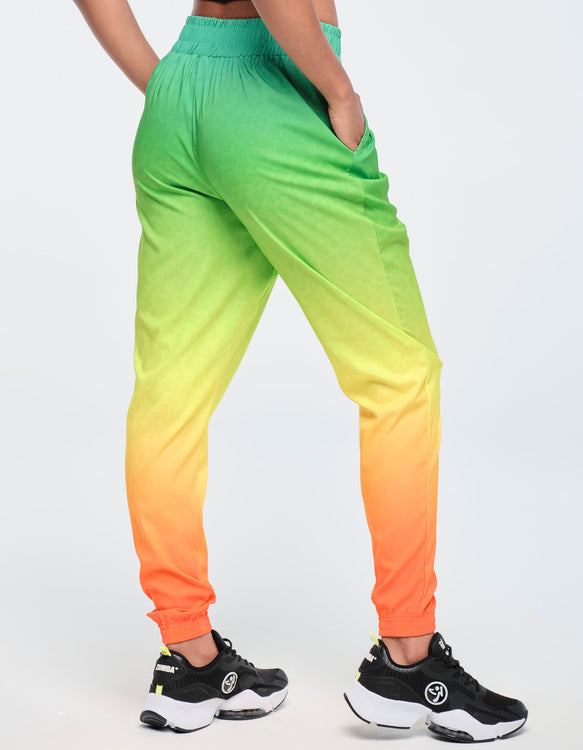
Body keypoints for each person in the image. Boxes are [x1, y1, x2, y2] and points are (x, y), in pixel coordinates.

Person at [73, 0, 528, 740]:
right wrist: (338, 90)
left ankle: (189, 657)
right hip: (276, 93)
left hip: (181, 93)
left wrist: (171, 86)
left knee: (169, 403)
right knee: (400, 376)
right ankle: (409, 660)